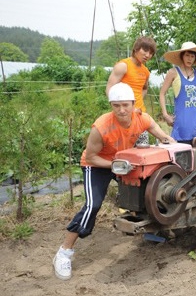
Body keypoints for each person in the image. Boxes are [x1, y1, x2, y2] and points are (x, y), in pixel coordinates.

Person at [52, 83, 176, 280]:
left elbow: (153, 127)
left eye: (125, 105)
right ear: (111, 105)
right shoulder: (101, 127)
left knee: (145, 191)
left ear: (134, 104)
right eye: (116, 105)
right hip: (97, 165)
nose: (121, 110)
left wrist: (166, 138)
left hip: (122, 162)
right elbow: (91, 157)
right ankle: (64, 252)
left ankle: (151, 231)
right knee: (93, 205)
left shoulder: (140, 118)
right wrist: (116, 165)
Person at [106, 36, 157, 145]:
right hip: (123, 116)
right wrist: (124, 108)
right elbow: (110, 89)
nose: (147, 55)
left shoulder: (146, 71)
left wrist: (136, 103)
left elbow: (144, 88)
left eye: (151, 53)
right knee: (122, 151)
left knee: (142, 152)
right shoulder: (123, 66)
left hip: (140, 117)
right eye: (145, 50)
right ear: (136, 49)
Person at [160, 42, 196, 144]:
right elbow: (162, 93)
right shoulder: (173, 72)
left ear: (195, 58)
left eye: (192, 56)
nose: (189, 59)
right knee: (182, 154)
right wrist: (165, 115)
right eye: (187, 55)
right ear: (182, 56)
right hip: (182, 122)